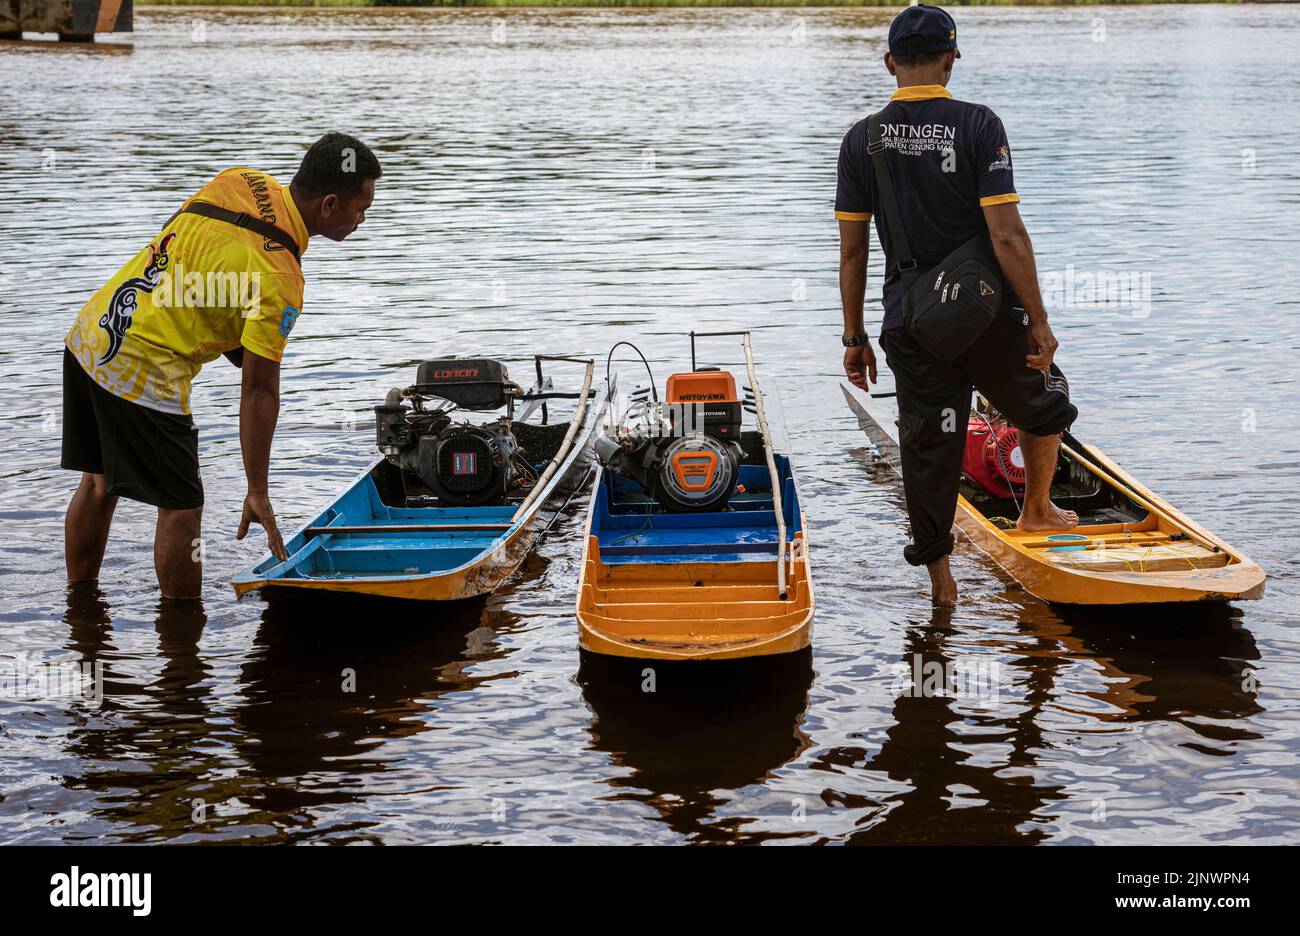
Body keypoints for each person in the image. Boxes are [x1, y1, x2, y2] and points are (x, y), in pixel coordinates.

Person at [62, 132, 382, 599]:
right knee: (182, 506)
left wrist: (239, 335)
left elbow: (176, 240)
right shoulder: (282, 280)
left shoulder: (241, 180)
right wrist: (258, 491)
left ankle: (80, 604)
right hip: (143, 372)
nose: (363, 219)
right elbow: (258, 391)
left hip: (93, 334)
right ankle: (183, 640)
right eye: (361, 209)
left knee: (99, 482)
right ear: (330, 205)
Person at [835, 5, 1078, 606]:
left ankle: (943, 588)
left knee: (927, 447)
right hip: (986, 315)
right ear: (952, 57)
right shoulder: (978, 125)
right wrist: (1040, 322)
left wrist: (853, 338)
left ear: (890, 62)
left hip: (910, 323)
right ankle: (1037, 510)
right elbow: (1006, 235)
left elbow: (852, 254)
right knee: (1042, 403)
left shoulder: (860, 139)